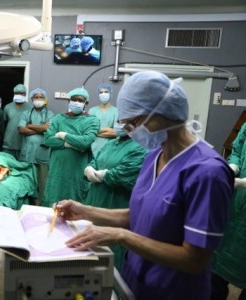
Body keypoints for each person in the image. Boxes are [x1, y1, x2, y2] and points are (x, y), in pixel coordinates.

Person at [55, 71, 234, 300]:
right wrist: (85, 211)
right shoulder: (153, 156)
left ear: (164, 113)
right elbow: (139, 215)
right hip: (135, 280)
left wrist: (122, 236)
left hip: (173, 291)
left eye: (135, 122)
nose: (129, 130)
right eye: (125, 123)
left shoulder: (207, 172)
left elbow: (194, 260)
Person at [83, 121, 147, 270]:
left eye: (125, 122)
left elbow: (127, 173)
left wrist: (103, 175)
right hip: (95, 199)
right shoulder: (111, 143)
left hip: (116, 204)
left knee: (111, 253)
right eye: (118, 121)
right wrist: (89, 168)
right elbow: (96, 159)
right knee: (90, 249)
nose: (120, 124)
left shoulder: (140, 147)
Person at [42, 87, 99, 207]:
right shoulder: (59, 118)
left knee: (75, 202)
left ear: (86, 103)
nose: (76, 102)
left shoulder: (92, 120)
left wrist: (63, 135)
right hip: (57, 168)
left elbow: (85, 142)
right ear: (69, 101)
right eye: (74, 99)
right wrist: (68, 144)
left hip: (77, 169)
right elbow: (48, 139)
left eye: (80, 100)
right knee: (53, 199)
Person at [211, 121, 246, 300]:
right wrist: (233, 167)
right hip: (235, 209)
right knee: (216, 271)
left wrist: (243, 182)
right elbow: (237, 150)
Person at [19, 88, 55, 205]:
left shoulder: (50, 114)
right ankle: (25, 205)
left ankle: (40, 206)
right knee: (27, 181)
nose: (38, 100)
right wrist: (40, 128)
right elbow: (21, 129)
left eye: (41, 97)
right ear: (32, 99)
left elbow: (48, 129)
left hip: (43, 154)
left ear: (45, 100)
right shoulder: (26, 113)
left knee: (42, 182)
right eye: (36, 97)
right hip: (28, 153)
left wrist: (30, 126)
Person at [88, 83, 118, 158]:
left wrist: (96, 132)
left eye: (106, 92)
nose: (103, 94)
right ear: (98, 95)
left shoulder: (116, 111)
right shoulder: (92, 111)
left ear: (110, 93)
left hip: (110, 148)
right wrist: (108, 129)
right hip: (93, 148)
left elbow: (116, 132)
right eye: (101, 92)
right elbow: (88, 130)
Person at [3, 83, 32, 159]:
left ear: (25, 94)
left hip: (23, 144)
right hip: (9, 144)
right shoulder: (8, 107)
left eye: (21, 93)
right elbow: (4, 124)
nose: (19, 95)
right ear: (14, 93)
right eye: (17, 93)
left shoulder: (30, 108)